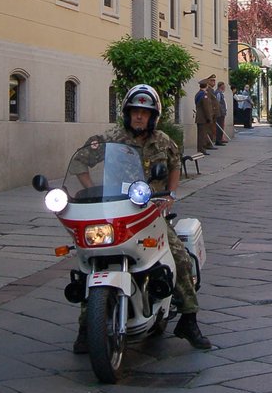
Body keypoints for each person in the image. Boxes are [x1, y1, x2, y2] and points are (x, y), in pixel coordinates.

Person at [73, 84, 211, 353]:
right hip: (115, 213)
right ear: (127, 113)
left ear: (153, 116)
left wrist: (169, 195)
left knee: (179, 258)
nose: (139, 117)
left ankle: (189, 319)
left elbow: (174, 164)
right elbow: (80, 161)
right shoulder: (111, 138)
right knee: (90, 260)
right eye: (135, 111)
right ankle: (85, 327)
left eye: (144, 113)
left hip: (150, 213)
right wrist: (92, 189)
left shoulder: (162, 140)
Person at [194, 79, 216, 153]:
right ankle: (201, 149)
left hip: (200, 117)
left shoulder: (198, 94)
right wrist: (209, 118)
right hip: (203, 117)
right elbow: (206, 108)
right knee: (202, 135)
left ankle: (201, 148)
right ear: (206, 85)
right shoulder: (204, 95)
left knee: (201, 134)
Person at [215, 80, 229, 145]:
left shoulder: (220, 93)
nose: (225, 87)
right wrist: (219, 111)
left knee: (221, 126)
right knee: (219, 126)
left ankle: (220, 139)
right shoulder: (218, 93)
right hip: (220, 113)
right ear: (221, 86)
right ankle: (218, 140)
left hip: (222, 112)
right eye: (224, 86)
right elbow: (217, 103)